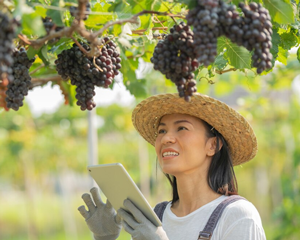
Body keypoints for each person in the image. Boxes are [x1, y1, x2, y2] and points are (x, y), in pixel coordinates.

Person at [78, 93, 266, 240]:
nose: (166, 138)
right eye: (162, 130)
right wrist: (105, 238)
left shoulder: (237, 216)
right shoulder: (156, 217)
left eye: (182, 128)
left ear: (213, 145)